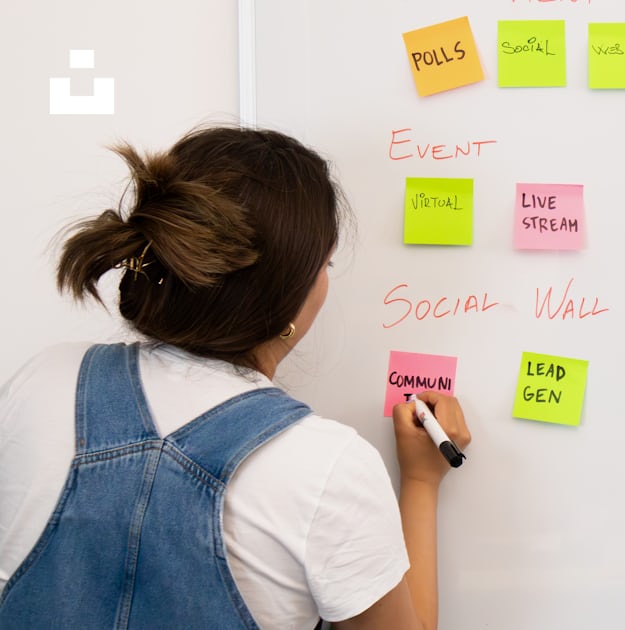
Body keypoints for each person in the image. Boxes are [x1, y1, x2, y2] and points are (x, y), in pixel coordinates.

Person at [0, 125, 469, 629]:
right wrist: (420, 481)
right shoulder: (327, 468)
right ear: (289, 299)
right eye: (325, 263)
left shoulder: (44, 380)